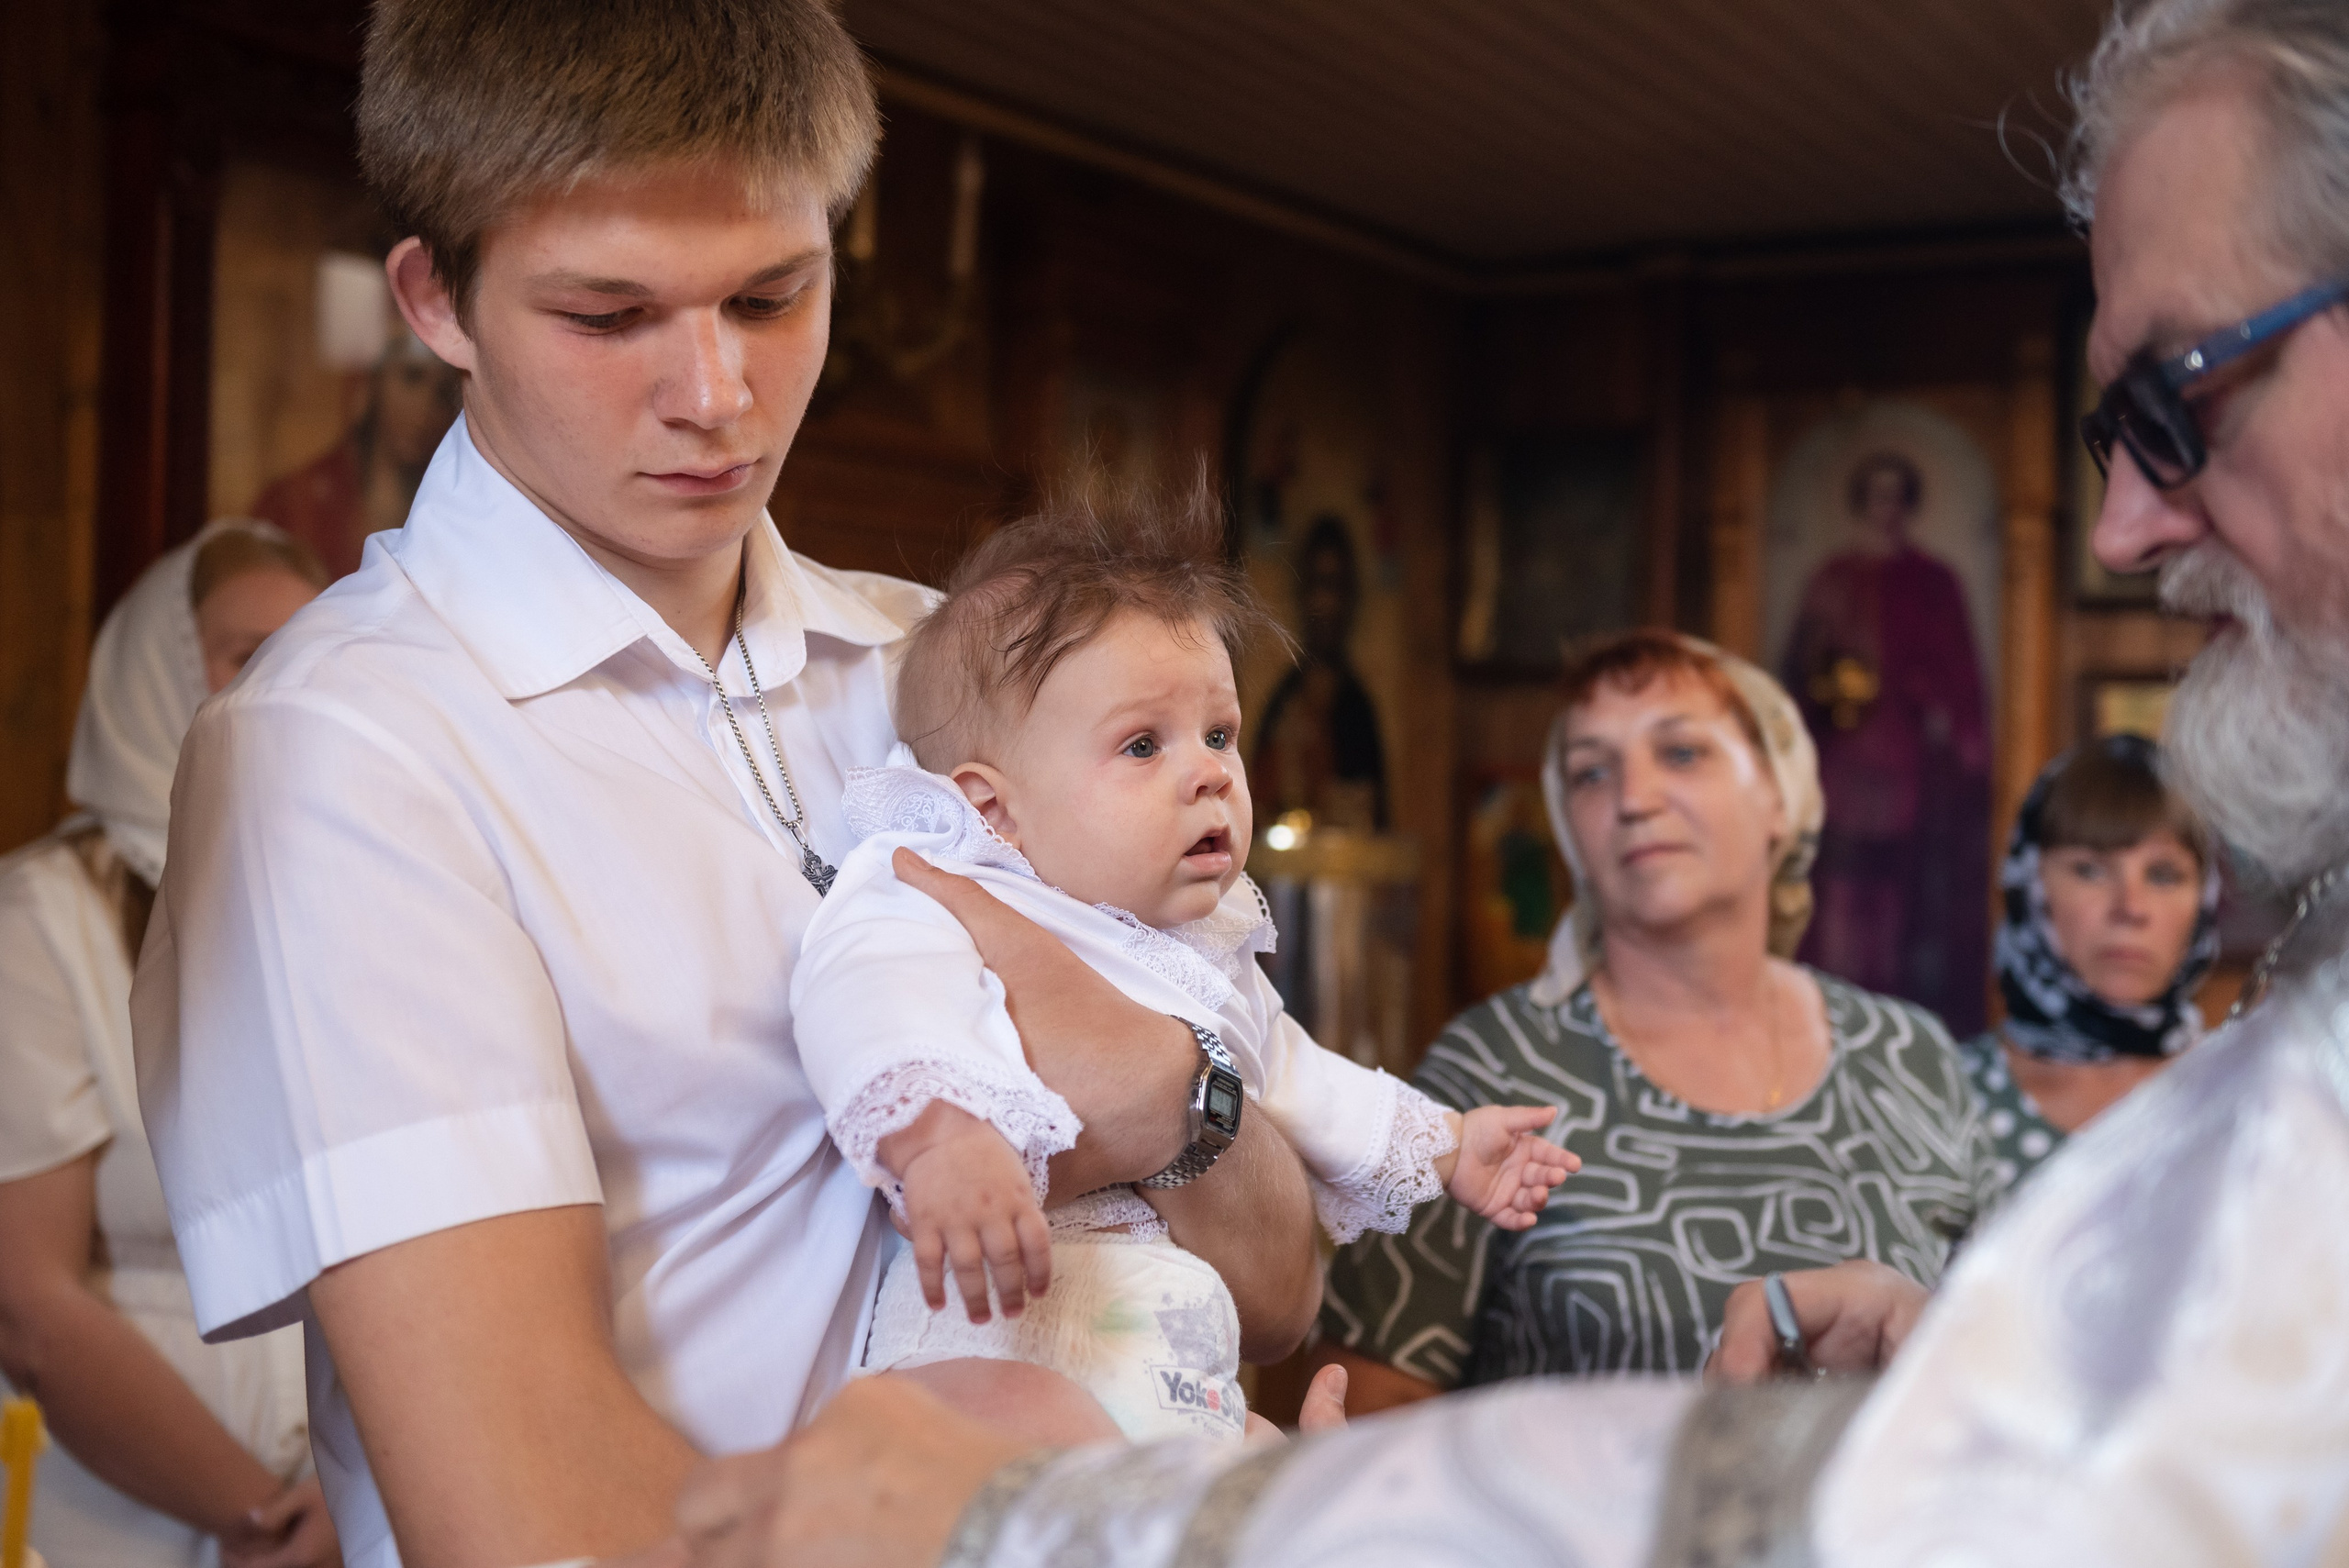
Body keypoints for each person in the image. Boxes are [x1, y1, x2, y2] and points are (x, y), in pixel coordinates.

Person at [639, 1, 2349, 1559]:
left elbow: (2098, 1499)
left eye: (2185, 391)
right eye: (1592, 763)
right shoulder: (942, 896)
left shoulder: (1912, 1047)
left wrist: (1103, 1516)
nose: (2128, 522)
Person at [134, 8, 1322, 1568]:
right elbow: (527, 1513)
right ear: (437, 300)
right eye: (608, 312)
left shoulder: (952, 654)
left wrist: (1175, 1087)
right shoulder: (347, 746)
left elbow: (1286, 1284)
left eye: (773, 294)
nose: (716, 392)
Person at [793, 487, 1572, 1442]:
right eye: (1140, 743)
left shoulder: (1200, 942)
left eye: (1218, 733)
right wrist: (942, 1140)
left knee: (1245, 1480)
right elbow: (873, 999)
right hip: (1005, 1320)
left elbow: (1285, 1073)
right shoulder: (930, 885)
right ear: (994, 808)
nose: (1207, 771)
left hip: (1170, 1354)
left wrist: (1446, 1143)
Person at [1313, 628, 1998, 1408]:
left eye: (1681, 754)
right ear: (1572, 831)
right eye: (1592, 772)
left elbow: (2012, 1365)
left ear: (1778, 794)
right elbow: (1363, 1413)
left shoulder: (1912, 1055)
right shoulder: (1494, 1071)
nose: (1634, 800)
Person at [0, 522, 334, 1568]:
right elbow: (30, 1301)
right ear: (158, 677)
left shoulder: (360, 899)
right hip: (112, 1511)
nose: (280, 686)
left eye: (307, 653)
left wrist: (353, 1489)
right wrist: (255, 1515)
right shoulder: (44, 919)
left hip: (361, 1489)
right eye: (245, 654)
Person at [1786, 450, 1994, 1035]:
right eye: (1876, 495)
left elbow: (1961, 679)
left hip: (1907, 763)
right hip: (1841, 761)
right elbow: (1796, 672)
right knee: (1840, 889)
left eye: (1896, 496)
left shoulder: (1934, 582)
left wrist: (1946, 723)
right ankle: (1831, 1013)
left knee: (1899, 892)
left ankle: (1891, 1019)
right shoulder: (1832, 578)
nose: (1886, 509)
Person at [1960, 735, 2220, 1198]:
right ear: (2031, 886)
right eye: (2090, 870)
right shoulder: (1945, 1093)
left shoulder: (2250, 1090)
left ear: (2205, 898)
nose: (2131, 908)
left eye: (2163, 875)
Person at [249, 331, 462, 579]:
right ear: (371, 382)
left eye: (444, 393)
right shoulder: (292, 504)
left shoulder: (454, 514)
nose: (425, 408)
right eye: (412, 378)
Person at [1252, 517, 1387, 832]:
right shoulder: (1283, 700)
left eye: (1335, 585)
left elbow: (1376, 819)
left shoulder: (1359, 709)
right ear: (1302, 592)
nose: (1325, 602)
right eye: (1317, 584)